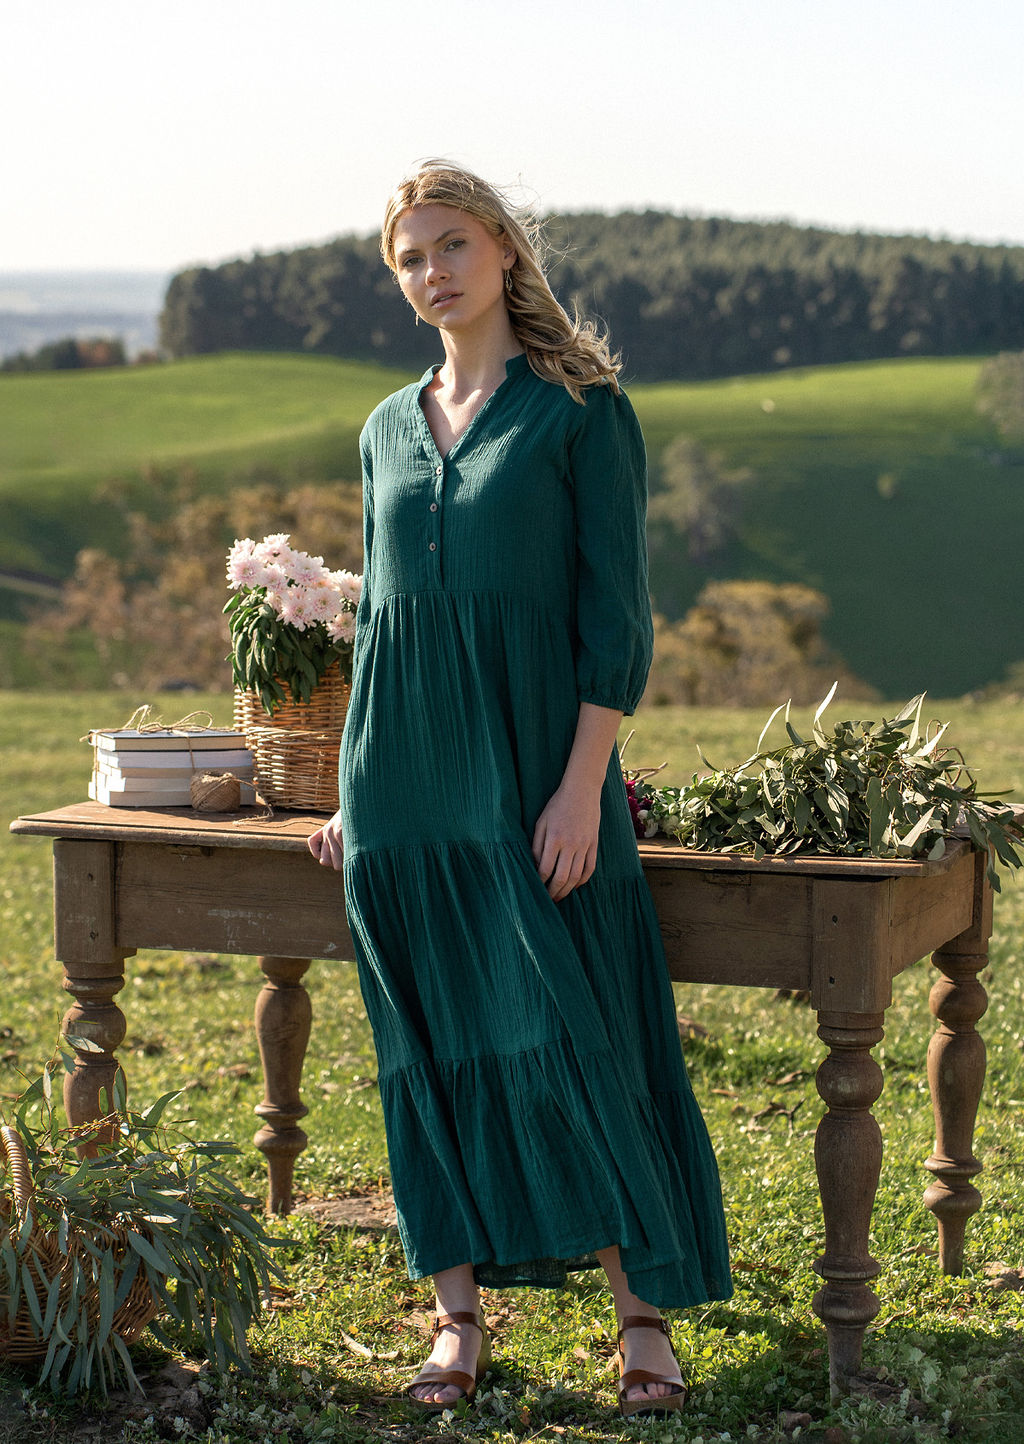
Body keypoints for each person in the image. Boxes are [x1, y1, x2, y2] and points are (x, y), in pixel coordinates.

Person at [308, 159, 731, 1418]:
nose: (431, 273)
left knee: (582, 1029)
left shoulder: (581, 412)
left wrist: (580, 787)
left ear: (501, 247)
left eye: (450, 245)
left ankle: (641, 1315)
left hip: (537, 770)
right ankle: (455, 1317)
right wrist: (351, 792)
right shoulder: (385, 428)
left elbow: (616, 619)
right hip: (401, 788)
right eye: (408, 258)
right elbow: (382, 622)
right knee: (425, 1041)